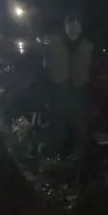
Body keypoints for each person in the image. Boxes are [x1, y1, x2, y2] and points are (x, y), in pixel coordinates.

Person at [43, 12, 94, 156]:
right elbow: (45, 69)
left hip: (80, 91)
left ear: (82, 26)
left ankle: (78, 158)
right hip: (59, 91)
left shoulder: (88, 46)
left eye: (77, 23)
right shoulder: (54, 43)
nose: (74, 27)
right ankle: (57, 156)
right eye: (70, 23)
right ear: (65, 26)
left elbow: (93, 70)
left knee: (79, 127)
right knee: (58, 125)